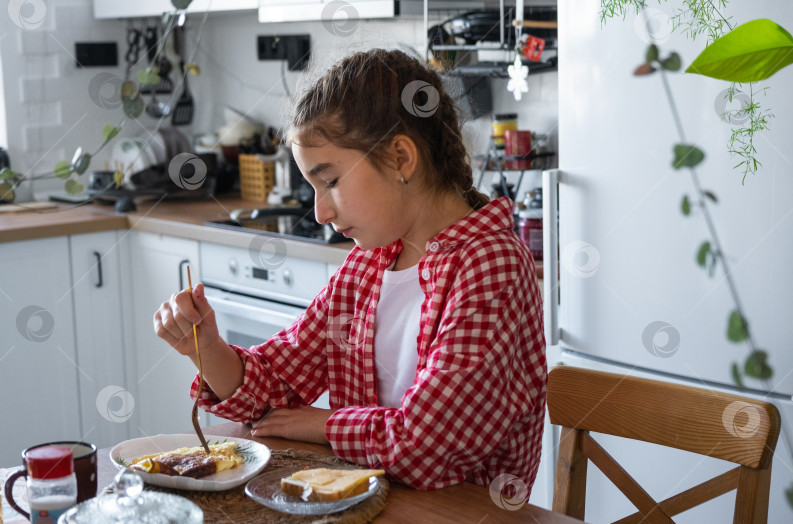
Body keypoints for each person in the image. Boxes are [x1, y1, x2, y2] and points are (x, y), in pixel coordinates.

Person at [154, 48, 547, 492]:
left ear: (401, 159)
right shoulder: (367, 266)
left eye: (331, 182)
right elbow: (276, 385)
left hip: (462, 519)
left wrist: (324, 424)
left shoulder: (491, 264)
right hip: (370, 505)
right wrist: (206, 347)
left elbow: (426, 445)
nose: (320, 212)